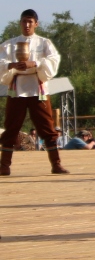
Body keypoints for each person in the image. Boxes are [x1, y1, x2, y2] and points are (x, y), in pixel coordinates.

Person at [0, 9, 69, 175]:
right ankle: (4, 166)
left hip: (38, 88)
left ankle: (56, 164)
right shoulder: (10, 44)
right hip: (17, 89)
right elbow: (1, 60)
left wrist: (35, 64)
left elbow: (53, 60)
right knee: (11, 126)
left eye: (30, 21)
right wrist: (11, 65)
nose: (27, 25)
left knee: (47, 126)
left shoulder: (44, 43)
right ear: (20, 23)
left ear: (36, 24)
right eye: (24, 21)